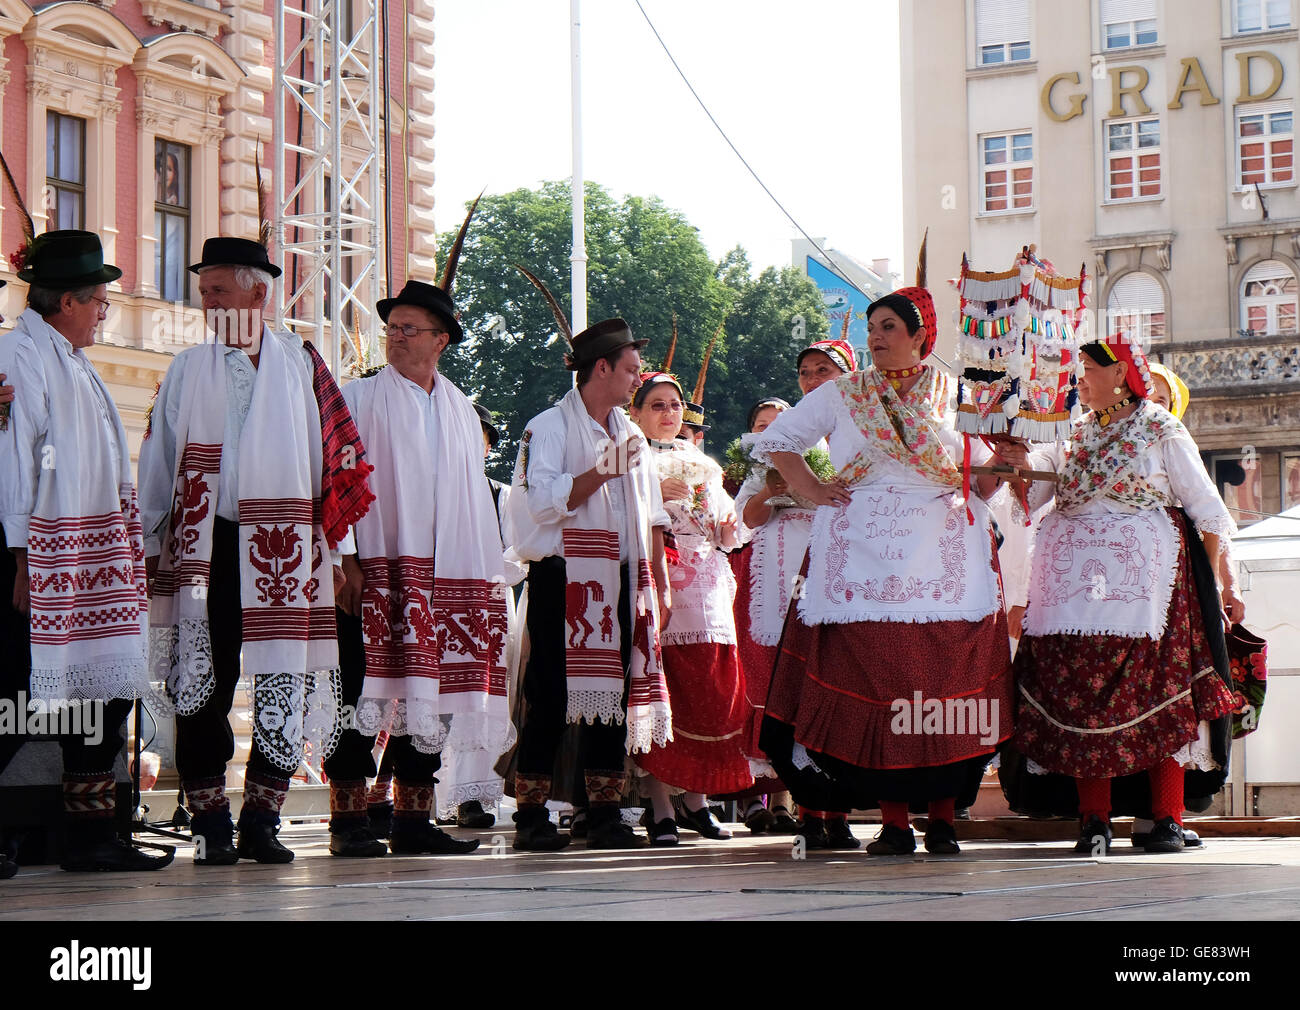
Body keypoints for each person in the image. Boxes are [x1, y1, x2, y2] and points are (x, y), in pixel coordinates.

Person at [753, 259, 1016, 856]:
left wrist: (1004, 466)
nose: (876, 337)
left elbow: (981, 483)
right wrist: (817, 491)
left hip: (944, 555)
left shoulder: (962, 395)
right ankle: (895, 822)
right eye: (872, 327)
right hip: (861, 555)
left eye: (889, 326)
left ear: (922, 335)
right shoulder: (844, 394)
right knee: (878, 680)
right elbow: (777, 442)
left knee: (947, 682)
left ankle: (944, 818)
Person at [138, 237, 373, 865]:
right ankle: (210, 819)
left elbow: (335, 463)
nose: (208, 301)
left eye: (218, 289)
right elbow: (159, 457)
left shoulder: (302, 363)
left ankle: (263, 818)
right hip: (206, 540)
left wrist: (342, 549)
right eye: (205, 290)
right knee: (202, 681)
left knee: (284, 677)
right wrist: (153, 541)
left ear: (258, 292)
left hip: (290, 543)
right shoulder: (189, 365)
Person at [1004, 336, 1241, 854]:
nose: (1079, 377)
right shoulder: (1072, 435)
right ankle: (1094, 820)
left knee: (1161, 699)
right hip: (1071, 596)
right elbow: (1035, 496)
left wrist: (1218, 586)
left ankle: (1166, 817)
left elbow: (1206, 508)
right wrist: (1015, 463)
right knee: (1082, 700)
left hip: (1150, 590)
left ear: (1121, 375)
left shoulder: (1160, 428)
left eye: (1089, 368)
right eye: (1080, 368)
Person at [325, 231, 510, 856]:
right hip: (377, 570)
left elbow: (471, 497)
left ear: (441, 339)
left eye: (410, 327)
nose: (397, 335)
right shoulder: (360, 399)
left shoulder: (460, 408)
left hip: (445, 576)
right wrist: (343, 556)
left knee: (429, 693)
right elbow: (337, 480)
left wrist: (483, 579)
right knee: (363, 687)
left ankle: (411, 819)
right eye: (393, 326)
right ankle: (349, 821)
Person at [0, 230, 172, 872]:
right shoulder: (21, 355)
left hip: (89, 556)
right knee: (18, 688)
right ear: (67, 300)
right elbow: (15, 457)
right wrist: (23, 556)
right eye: (99, 298)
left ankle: (94, 834)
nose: (106, 309)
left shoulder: (74, 362)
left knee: (103, 690)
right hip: (43, 554)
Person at [506, 268, 673, 851]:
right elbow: (542, 503)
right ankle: (531, 814)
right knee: (550, 690)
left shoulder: (629, 430)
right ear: (601, 367)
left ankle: (604, 811)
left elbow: (650, 512)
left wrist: (658, 581)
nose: (635, 380)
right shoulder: (546, 427)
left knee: (615, 691)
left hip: (621, 576)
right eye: (630, 369)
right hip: (563, 574)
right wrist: (601, 470)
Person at [735, 339, 858, 844]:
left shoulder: (857, 433)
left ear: (846, 375)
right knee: (792, 690)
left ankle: (842, 814)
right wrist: (772, 491)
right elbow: (746, 518)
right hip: (781, 573)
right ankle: (808, 813)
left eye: (822, 370)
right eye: (805, 372)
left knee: (837, 690)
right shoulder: (781, 442)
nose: (812, 379)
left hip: (842, 569)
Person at [629, 369, 749, 844]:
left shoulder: (704, 463)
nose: (668, 414)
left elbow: (730, 528)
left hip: (709, 585)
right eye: (656, 405)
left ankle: (697, 801)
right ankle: (659, 807)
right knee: (666, 689)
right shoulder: (629, 458)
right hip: (661, 580)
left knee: (712, 689)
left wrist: (725, 523)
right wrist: (655, 495)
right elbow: (616, 513)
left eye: (674, 406)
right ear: (635, 412)